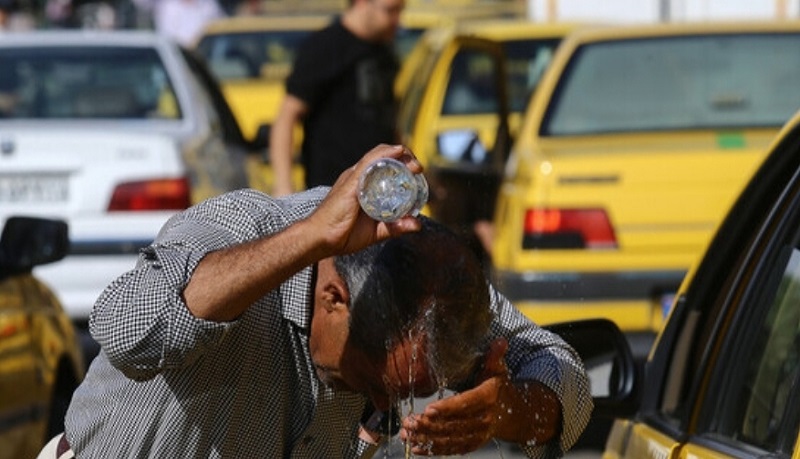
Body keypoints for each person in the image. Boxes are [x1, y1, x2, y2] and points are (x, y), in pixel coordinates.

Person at [43, 144, 592, 458]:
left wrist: (507, 409)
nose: (392, 410)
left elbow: (565, 372)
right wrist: (309, 239)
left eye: (411, 395)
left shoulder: (428, 275)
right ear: (333, 298)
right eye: (374, 387)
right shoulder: (240, 228)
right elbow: (127, 332)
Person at [269, 0, 403, 196]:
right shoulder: (325, 46)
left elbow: (389, 120)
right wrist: (283, 183)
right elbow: (287, 116)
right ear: (361, 4)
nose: (397, 20)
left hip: (379, 191)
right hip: (329, 193)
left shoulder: (383, 52)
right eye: (391, 11)